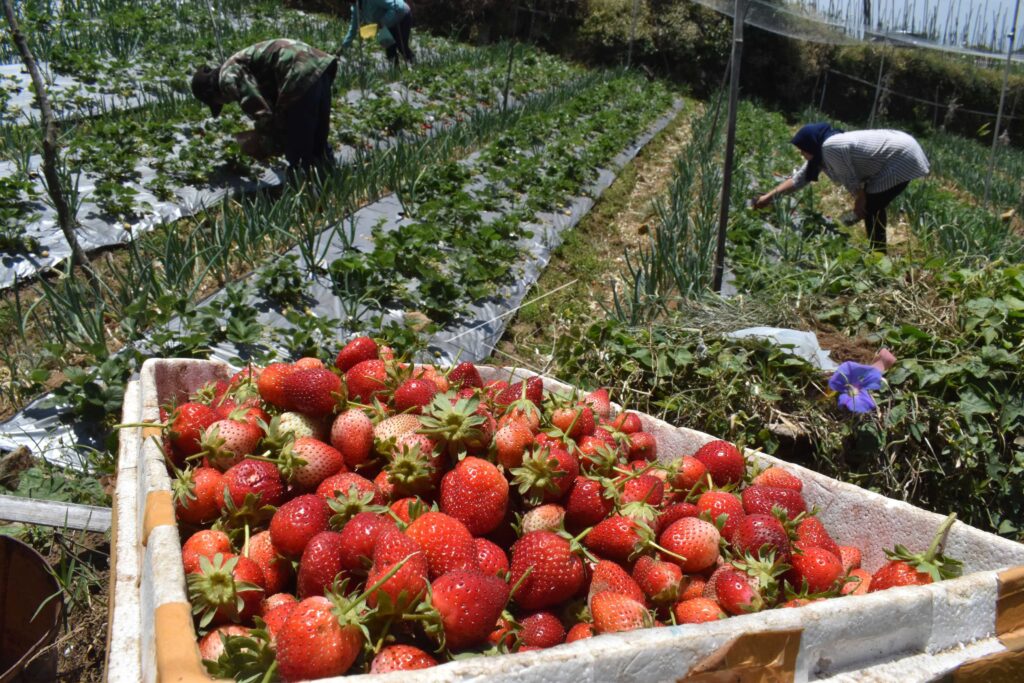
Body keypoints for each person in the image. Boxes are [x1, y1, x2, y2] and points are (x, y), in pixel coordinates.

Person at [754, 123, 930, 252]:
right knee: (872, 205)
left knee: (870, 206)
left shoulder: (831, 147)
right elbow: (799, 178)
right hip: (901, 152)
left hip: (903, 157)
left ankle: (877, 253)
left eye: (802, 150)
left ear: (811, 144)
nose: (802, 154)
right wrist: (767, 198)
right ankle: (865, 240)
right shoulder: (822, 152)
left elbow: (850, 179)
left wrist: (860, 200)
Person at [191, 39, 338, 173]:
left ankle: (306, 192)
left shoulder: (227, 78)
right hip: (319, 64)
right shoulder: (235, 65)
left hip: (299, 72)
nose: (227, 102)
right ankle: (331, 183)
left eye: (219, 103)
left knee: (298, 147)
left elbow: (259, 108)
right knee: (318, 138)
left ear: (212, 93)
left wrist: (267, 141)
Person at [340, 0, 415, 66]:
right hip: (383, 26)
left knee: (402, 47)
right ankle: (396, 74)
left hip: (401, 16)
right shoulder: (355, 8)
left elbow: (399, 8)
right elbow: (353, 30)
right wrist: (343, 47)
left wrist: (382, 23)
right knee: (390, 51)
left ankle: (415, 66)